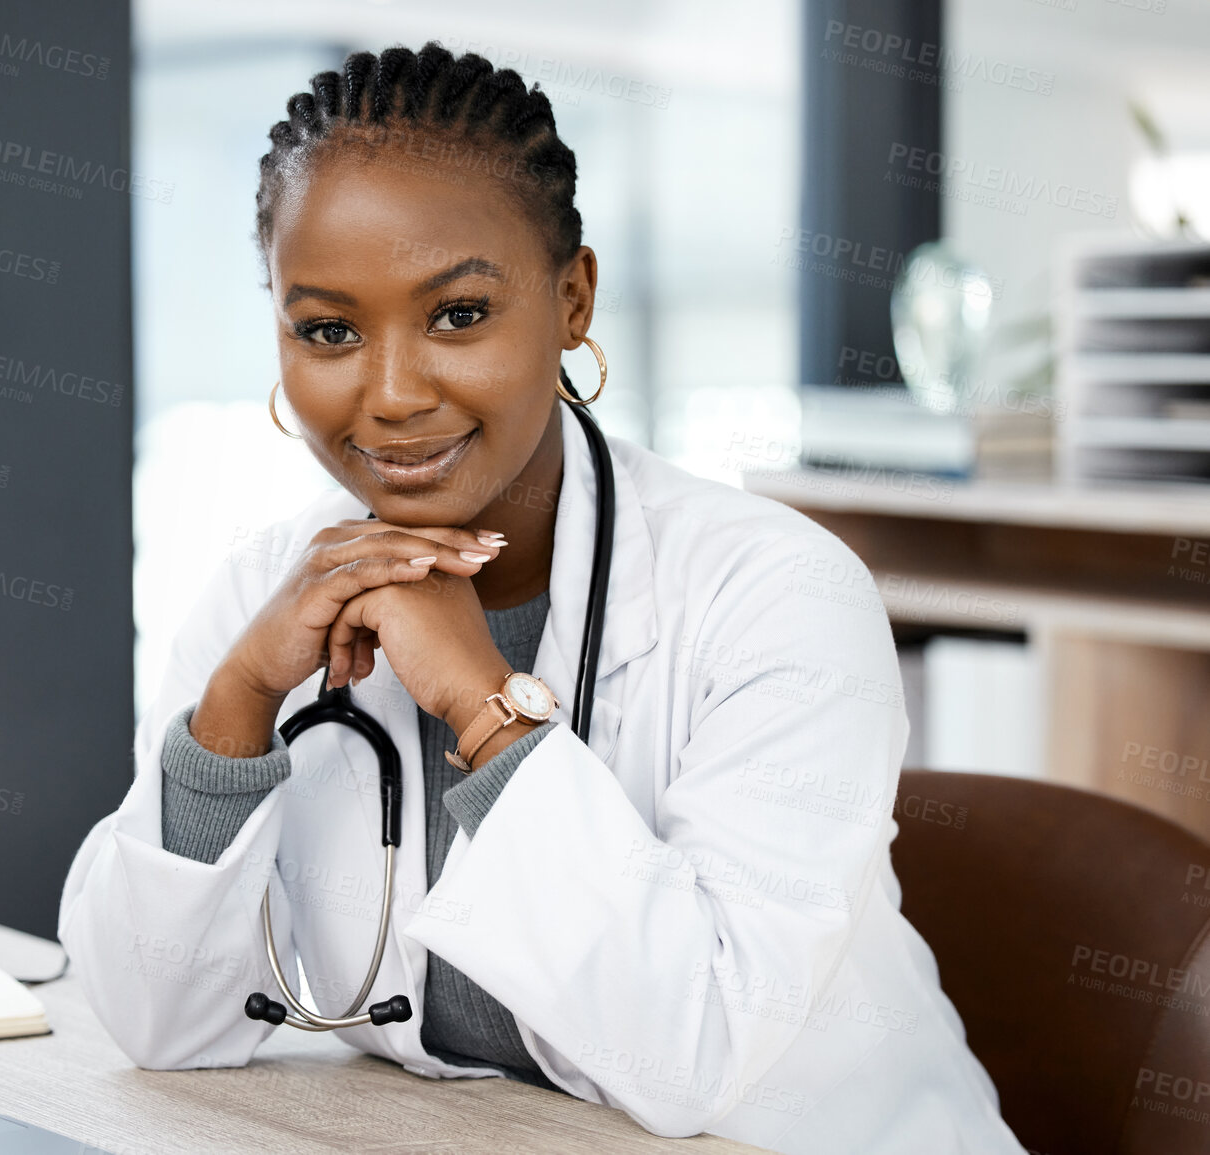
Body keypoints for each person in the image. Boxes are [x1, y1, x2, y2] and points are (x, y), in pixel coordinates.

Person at [59, 42, 1025, 1155]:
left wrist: (481, 704)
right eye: (328, 330)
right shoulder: (264, 597)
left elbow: (693, 1053)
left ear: (572, 300)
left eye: (459, 315)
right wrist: (236, 703)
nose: (392, 394)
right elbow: (152, 1023)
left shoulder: (777, 595)